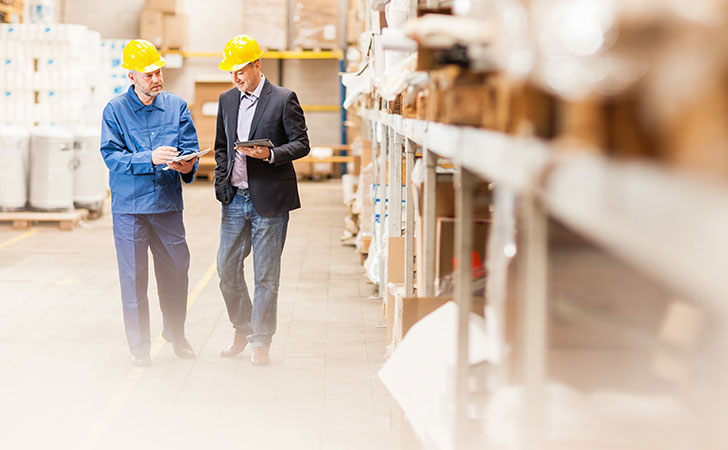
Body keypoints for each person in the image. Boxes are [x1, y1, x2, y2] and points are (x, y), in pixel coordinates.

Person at [100, 39, 199, 367]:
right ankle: (140, 348)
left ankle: (175, 331)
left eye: (158, 72)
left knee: (177, 269)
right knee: (134, 277)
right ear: (131, 76)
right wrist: (149, 158)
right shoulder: (115, 110)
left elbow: (189, 147)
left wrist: (187, 164)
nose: (156, 79)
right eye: (148, 75)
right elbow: (112, 156)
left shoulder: (176, 106)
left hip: (167, 204)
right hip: (129, 208)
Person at [213, 35, 310, 366]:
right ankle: (243, 327)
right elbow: (222, 147)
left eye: (240, 71)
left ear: (257, 65)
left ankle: (260, 340)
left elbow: (301, 143)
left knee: (265, 276)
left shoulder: (283, 99)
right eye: (231, 73)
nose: (236, 78)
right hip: (234, 200)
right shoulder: (227, 100)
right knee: (226, 268)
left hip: (269, 200)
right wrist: (221, 185)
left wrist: (270, 154)